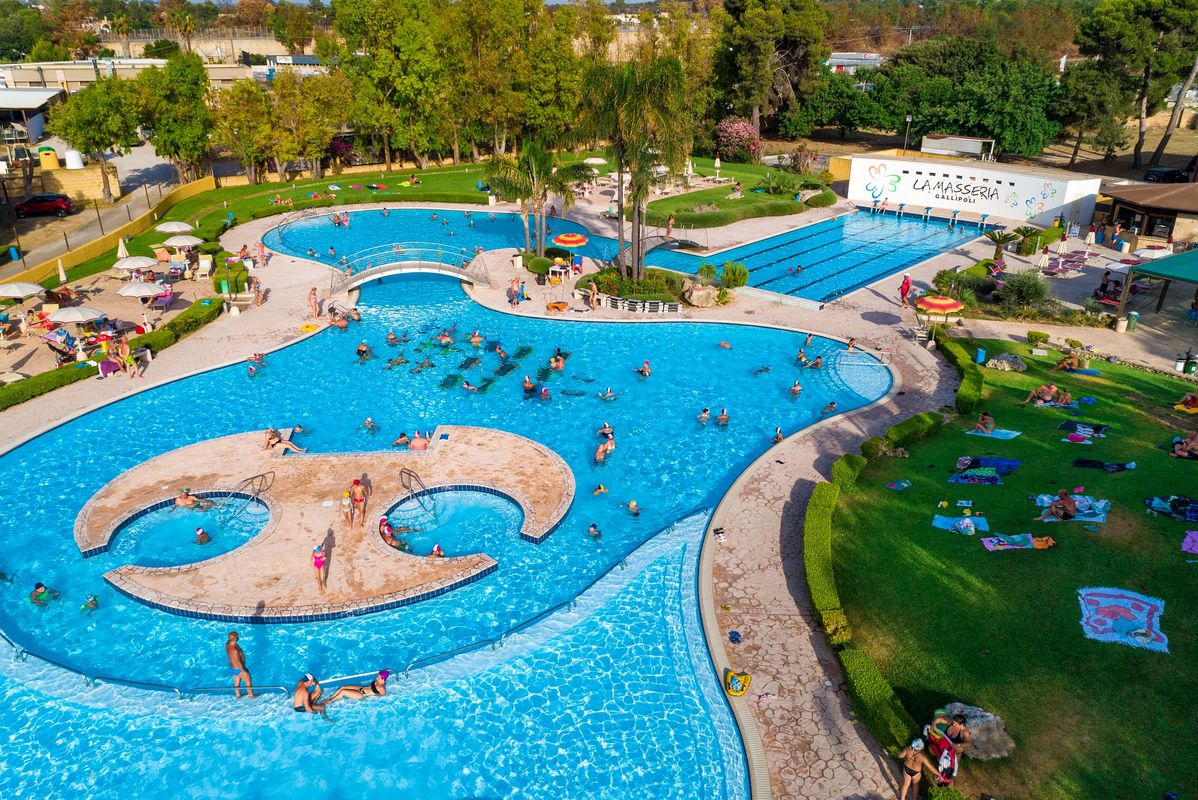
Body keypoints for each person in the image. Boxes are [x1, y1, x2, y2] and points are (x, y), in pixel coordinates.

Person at [226, 632, 255, 699]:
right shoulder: (235, 650)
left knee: (236, 683)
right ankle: (251, 696)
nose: (238, 636)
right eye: (237, 635)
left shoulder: (227, 644)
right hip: (239, 668)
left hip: (233, 668)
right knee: (248, 682)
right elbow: (237, 662)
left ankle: (238, 696)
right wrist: (244, 671)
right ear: (235, 638)